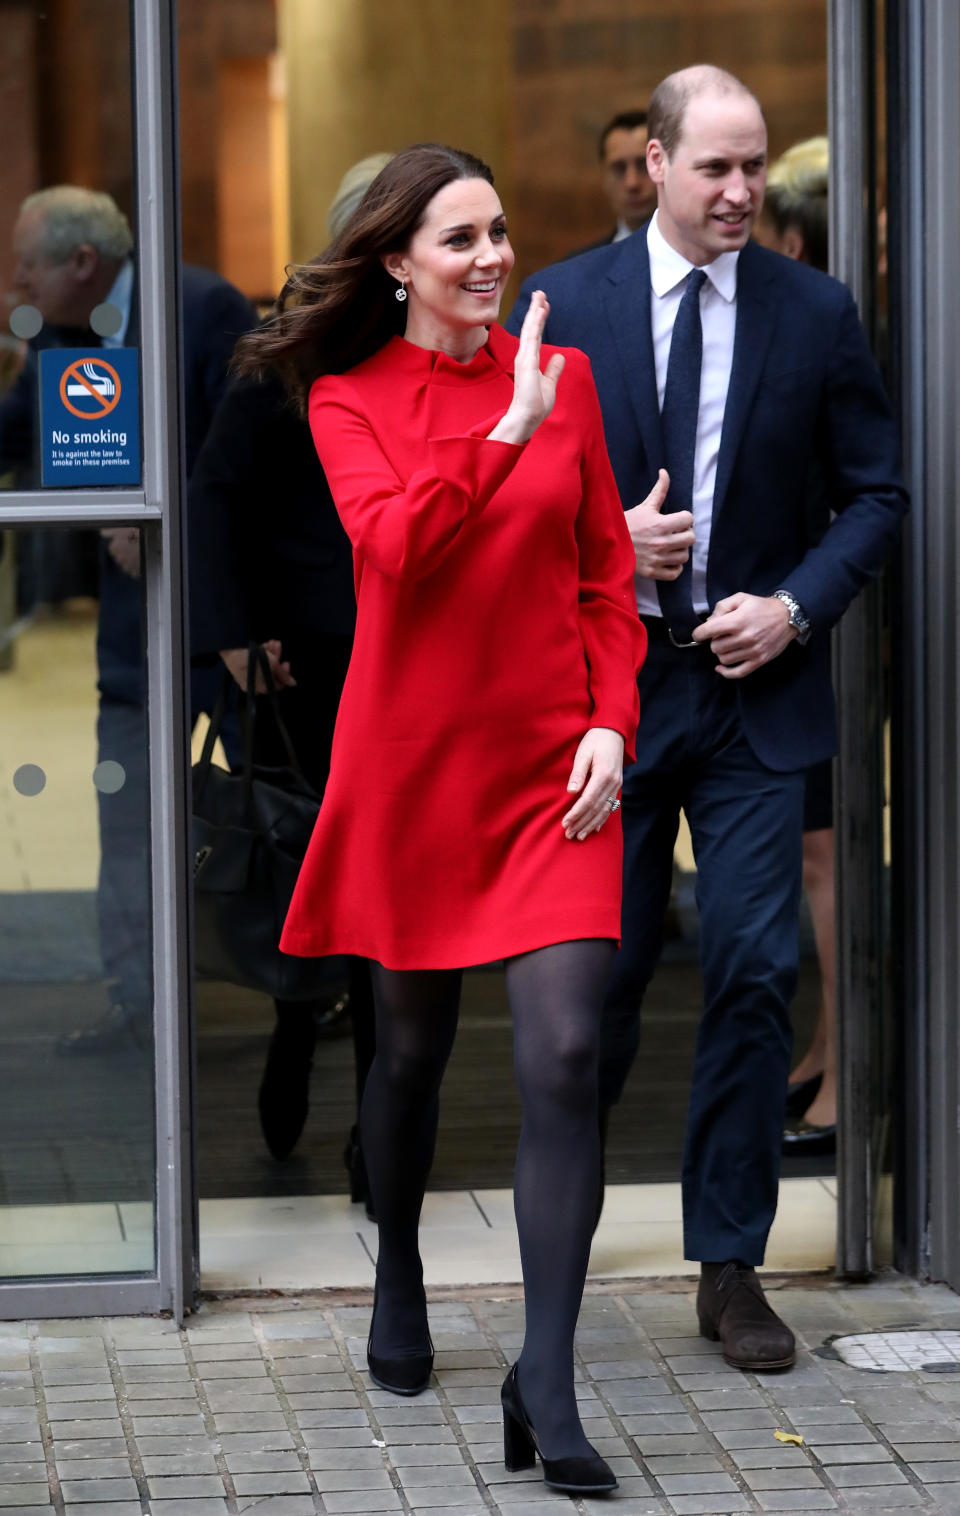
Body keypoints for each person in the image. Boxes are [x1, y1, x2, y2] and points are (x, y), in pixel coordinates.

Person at [234, 142, 647, 1495]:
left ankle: (548, 1376)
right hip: (413, 770)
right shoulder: (347, 398)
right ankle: (399, 1265)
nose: (491, 259)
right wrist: (506, 426)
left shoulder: (569, 379)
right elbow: (398, 553)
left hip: (551, 772)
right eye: (459, 239)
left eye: (500, 233)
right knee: (407, 1060)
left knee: (568, 1053)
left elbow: (600, 577)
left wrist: (609, 723)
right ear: (397, 261)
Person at [508, 66, 907, 1371]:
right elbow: (504, 502)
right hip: (608, 701)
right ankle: (552, 1250)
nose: (741, 192)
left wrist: (791, 607)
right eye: (715, 169)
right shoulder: (567, 307)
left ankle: (728, 1262)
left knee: (752, 967)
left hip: (754, 703)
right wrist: (608, 550)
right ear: (658, 167)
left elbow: (875, 497)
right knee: (593, 986)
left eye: (755, 169)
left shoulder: (816, 311)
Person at [0, 185, 255, 1052]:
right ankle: (140, 1002)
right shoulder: (63, 333)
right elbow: (15, 431)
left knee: (272, 799)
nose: (14, 281)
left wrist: (160, 523)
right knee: (129, 806)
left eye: (25, 264)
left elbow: (248, 458)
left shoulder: (200, 308)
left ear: (80, 264)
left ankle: (309, 985)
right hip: (134, 635)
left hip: (230, 624)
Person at [187, 155, 394, 1191]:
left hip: (412, 662)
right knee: (323, 869)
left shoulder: (442, 343)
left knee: (392, 900)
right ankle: (293, 1015)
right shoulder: (286, 346)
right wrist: (233, 631)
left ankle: (379, 1128)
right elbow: (217, 494)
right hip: (304, 666)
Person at [754, 136, 838, 1153]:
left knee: (827, 853)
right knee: (821, 849)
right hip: (803, 616)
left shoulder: (821, 319)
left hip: (822, 614)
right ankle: (826, 1045)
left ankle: (846, 1065)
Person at [569, 109, 655, 256]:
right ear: (603, 176)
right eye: (619, 169)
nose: (632, 183)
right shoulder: (579, 271)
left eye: (643, 166)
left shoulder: (702, 261)